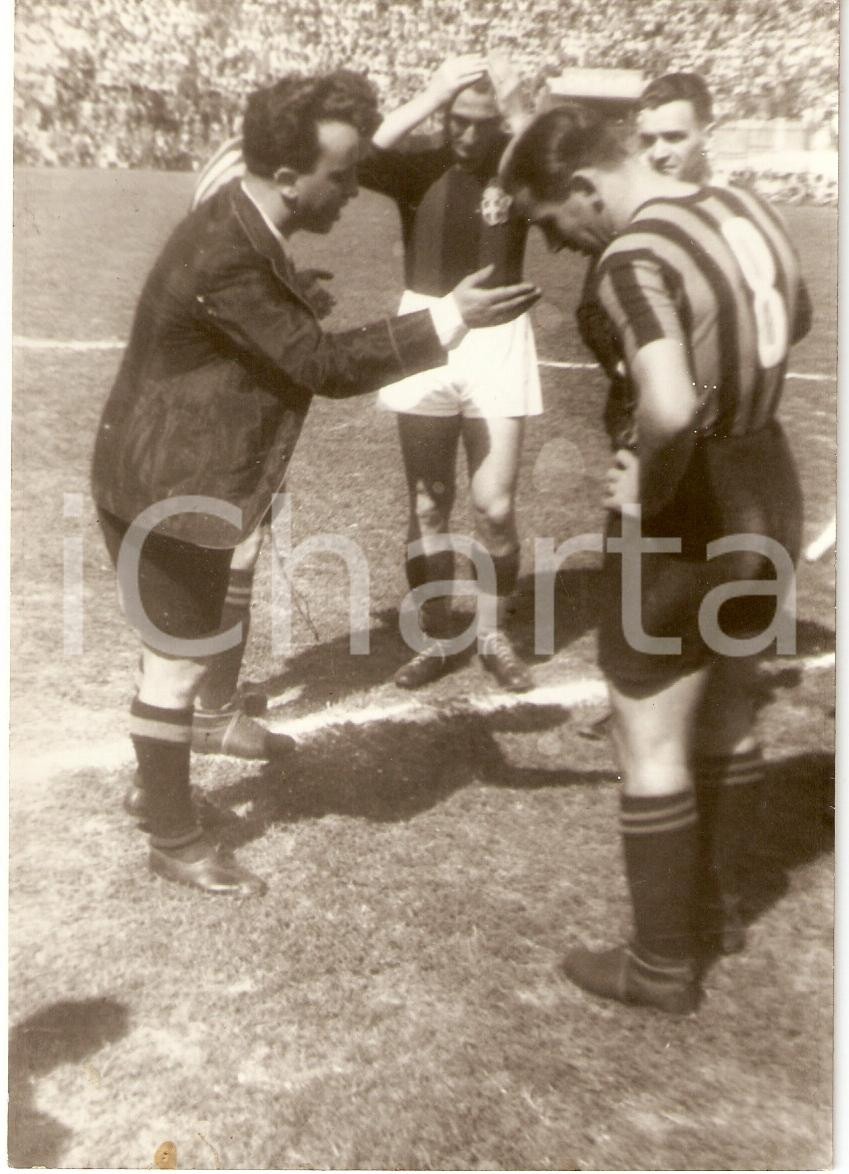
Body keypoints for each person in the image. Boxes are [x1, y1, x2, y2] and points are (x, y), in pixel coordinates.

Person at [92, 70, 541, 898]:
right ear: (289, 178)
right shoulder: (233, 246)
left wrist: (295, 296)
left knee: (173, 655)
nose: (350, 190)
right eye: (340, 176)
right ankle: (174, 837)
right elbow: (325, 366)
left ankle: (155, 792)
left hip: (160, 467)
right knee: (176, 669)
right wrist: (451, 317)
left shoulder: (241, 219)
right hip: (170, 481)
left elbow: (257, 319)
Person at [501, 103, 810, 1013]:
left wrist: (648, 483)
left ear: (585, 188)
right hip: (769, 478)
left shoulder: (631, 255)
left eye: (554, 222)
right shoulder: (744, 207)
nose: (560, 246)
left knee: (649, 735)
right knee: (728, 710)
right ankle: (712, 912)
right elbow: (788, 321)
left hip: (692, 508)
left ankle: (661, 964)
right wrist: (710, 394)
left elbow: (670, 407)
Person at [357, 57, 542, 692]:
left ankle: (493, 635)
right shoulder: (419, 167)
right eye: (456, 120)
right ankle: (437, 636)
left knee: (493, 507)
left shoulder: (517, 171)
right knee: (429, 503)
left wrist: (516, 110)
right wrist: (431, 90)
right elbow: (363, 154)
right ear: (443, 116)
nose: (468, 135)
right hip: (426, 332)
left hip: (499, 341)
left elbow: (557, 161)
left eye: (481, 123)